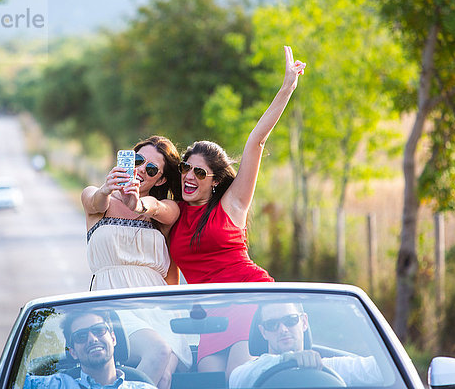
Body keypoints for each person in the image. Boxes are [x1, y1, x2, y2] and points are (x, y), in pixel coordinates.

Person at [168, 46, 306, 378]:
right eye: (186, 168)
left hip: (253, 301)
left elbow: (256, 142)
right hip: (212, 319)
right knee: (211, 381)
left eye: (200, 173)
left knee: (240, 378)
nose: (189, 175)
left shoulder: (232, 204)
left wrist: (286, 86)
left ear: (215, 182)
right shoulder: (172, 214)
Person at [81, 136, 192, 389]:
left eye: (151, 169)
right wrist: (107, 190)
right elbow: (94, 200)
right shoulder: (97, 200)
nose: (141, 169)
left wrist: (138, 204)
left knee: (164, 377)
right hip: (113, 303)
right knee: (158, 351)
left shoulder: (166, 209)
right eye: (138, 160)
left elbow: (157, 208)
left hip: (158, 308)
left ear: (161, 179)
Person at [228, 303, 383, 388]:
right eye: (272, 324)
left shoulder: (326, 366)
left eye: (290, 320)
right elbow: (236, 378)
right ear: (263, 332)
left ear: (304, 322)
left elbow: (383, 369)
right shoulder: (251, 371)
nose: (282, 329)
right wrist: (288, 359)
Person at [23, 310, 157, 389]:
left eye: (98, 330)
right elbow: (12, 380)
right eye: (81, 336)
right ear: (72, 351)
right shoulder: (56, 386)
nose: (92, 339)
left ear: (113, 338)